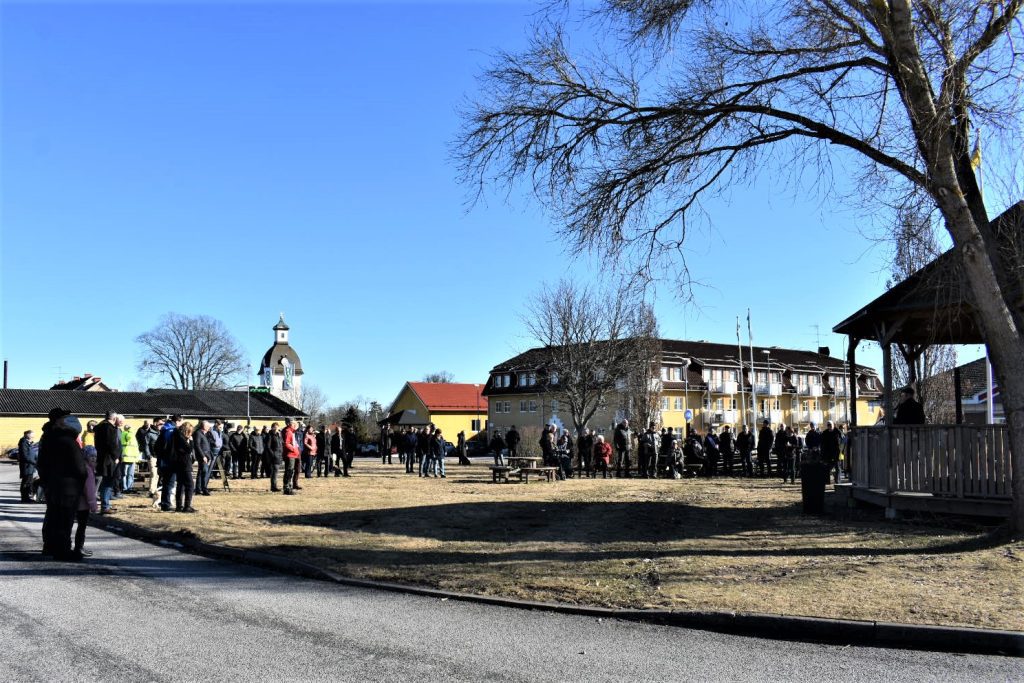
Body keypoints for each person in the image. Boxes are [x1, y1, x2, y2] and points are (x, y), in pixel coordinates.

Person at [36, 409, 87, 560]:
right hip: (69, 486)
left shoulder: (48, 437)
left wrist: (46, 480)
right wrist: (83, 480)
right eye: (65, 418)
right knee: (65, 519)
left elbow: (42, 463)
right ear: (59, 421)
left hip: (53, 483)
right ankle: (63, 550)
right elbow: (80, 467)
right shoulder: (67, 440)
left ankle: (51, 546)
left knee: (54, 516)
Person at [94, 411, 122, 514]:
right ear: (114, 419)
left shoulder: (99, 426)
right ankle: (105, 506)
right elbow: (112, 444)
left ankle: (105, 504)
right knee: (108, 482)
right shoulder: (109, 428)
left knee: (105, 481)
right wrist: (116, 456)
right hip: (109, 459)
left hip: (101, 457)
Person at [74, 446, 98, 557]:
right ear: (86, 456)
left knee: (78, 526)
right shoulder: (88, 470)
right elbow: (89, 490)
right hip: (83, 503)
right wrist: (93, 505)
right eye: (91, 456)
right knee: (81, 526)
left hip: (76, 501)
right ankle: (79, 547)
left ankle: (78, 547)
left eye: (95, 456)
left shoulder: (82, 467)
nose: (93, 459)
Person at [157, 415, 182, 512]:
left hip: (164, 460)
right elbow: (170, 447)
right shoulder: (171, 431)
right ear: (177, 421)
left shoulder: (164, 430)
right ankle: (166, 504)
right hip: (169, 461)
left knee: (167, 482)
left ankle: (165, 503)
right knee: (169, 483)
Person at [174, 422, 197, 512]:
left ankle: (179, 506)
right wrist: (191, 441)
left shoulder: (176, 436)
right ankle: (187, 506)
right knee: (190, 485)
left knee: (181, 485)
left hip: (178, 463)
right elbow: (188, 449)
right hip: (184, 463)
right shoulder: (181, 438)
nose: (191, 434)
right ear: (186, 431)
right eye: (190, 431)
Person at [193, 421, 213, 496]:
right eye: (208, 426)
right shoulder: (198, 433)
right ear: (204, 426)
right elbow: (197, 446)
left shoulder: (205, 434)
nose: (209, 428)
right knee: (204, 472)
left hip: (207, 456)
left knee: (201, 472)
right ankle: (204, 489)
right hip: (202, 456)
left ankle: (199, 489)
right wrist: (203, 456)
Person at [18, 429, 37, 503]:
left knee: (29, 481)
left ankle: (27, 497)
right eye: (32, 435)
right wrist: (34, 462)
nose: (33, 436)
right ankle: (24, 498)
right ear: (27, 435)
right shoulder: (23, 443)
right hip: (27, 466)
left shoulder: (28, 442)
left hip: (30, 466)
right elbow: (25, 456)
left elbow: (32, 453)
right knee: (26, 482)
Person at [282, 417, 301, 494]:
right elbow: (286, 443)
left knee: (291, 471)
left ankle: (289, 486)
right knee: (289, 471)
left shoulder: (291, 431)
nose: (295, 424)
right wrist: (293, 449)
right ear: (290, 424)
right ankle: (286, 488)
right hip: (290, 454)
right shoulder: (287, 432)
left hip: (294, 454)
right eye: (293, 423)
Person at [120, 420, 139, 494]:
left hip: (130, 458)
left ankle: (128, 487)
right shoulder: (127, 434)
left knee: (129, 474)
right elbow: (129, 438)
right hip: (127, 458)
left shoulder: (129, 434)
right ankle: (126, 488)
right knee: (126, 474)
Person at [266, 422, 284, 491]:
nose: (276, 428)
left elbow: (281, 443)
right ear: (272, 427)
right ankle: (273, 487)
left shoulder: (279, 435)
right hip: (274, 456)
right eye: (275, 427)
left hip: (279, 455)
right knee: (274, 471)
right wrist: (273, 454)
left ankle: (274, 486)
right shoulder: (270, 435)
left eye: (277, 427)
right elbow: (268, 447)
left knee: (276, 471)